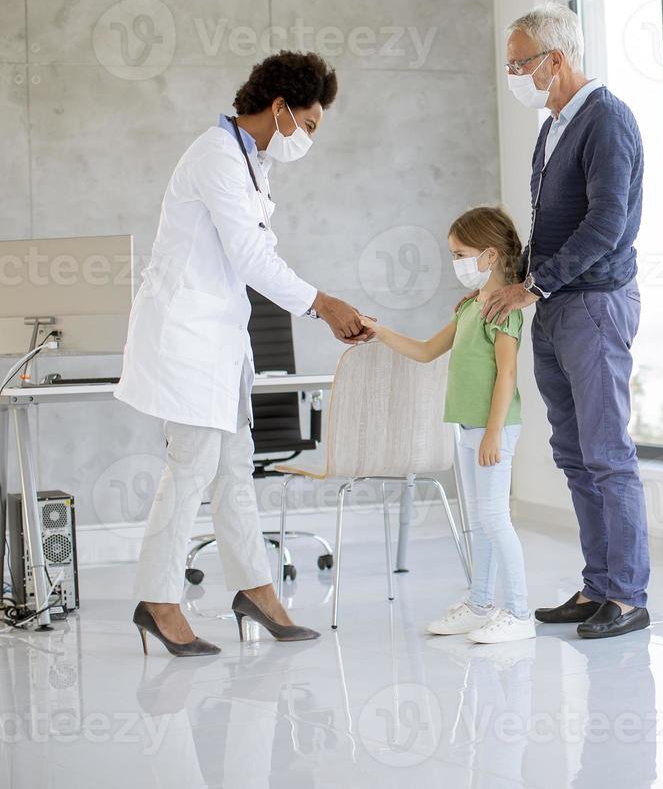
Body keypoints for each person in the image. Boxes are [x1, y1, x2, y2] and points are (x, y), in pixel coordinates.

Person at [115, 51, 372, 657]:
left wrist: (319, 303)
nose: (308, 138)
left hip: (221, 340)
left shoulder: (251, 161)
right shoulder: (215, 157)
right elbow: (253, 261)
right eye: (307, 125)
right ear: (280, 109)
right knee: (193, 467)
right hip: (187, 337)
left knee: (233, 469)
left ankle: (256, 590)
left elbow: (257, 251)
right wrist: (324, 305)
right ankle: (157, 601)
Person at [481, 3, 649, 639]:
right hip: (553, 306)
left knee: (607, 453)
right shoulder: (554, 125)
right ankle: (599, 585)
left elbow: (608, 224)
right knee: (575, 454)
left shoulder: (606, 119)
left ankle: (628, 595)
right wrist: (510, 285)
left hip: (594, 306)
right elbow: (548, 225)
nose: (513, 75)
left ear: (555, 59)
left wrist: (537, 286)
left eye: (519, 63)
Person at [362, 206, 533, 644]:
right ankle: (479, 603)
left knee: (495, 519)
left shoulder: (504, 308)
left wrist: (494, 432)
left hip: (492, 430)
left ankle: (517, 612)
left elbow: (507, 374)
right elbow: (424, 351)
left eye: (461, 254)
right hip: (467, 428)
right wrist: (377, 330)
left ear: (489, 256)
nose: (455, 263)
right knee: (476, 520)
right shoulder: (470, 309)